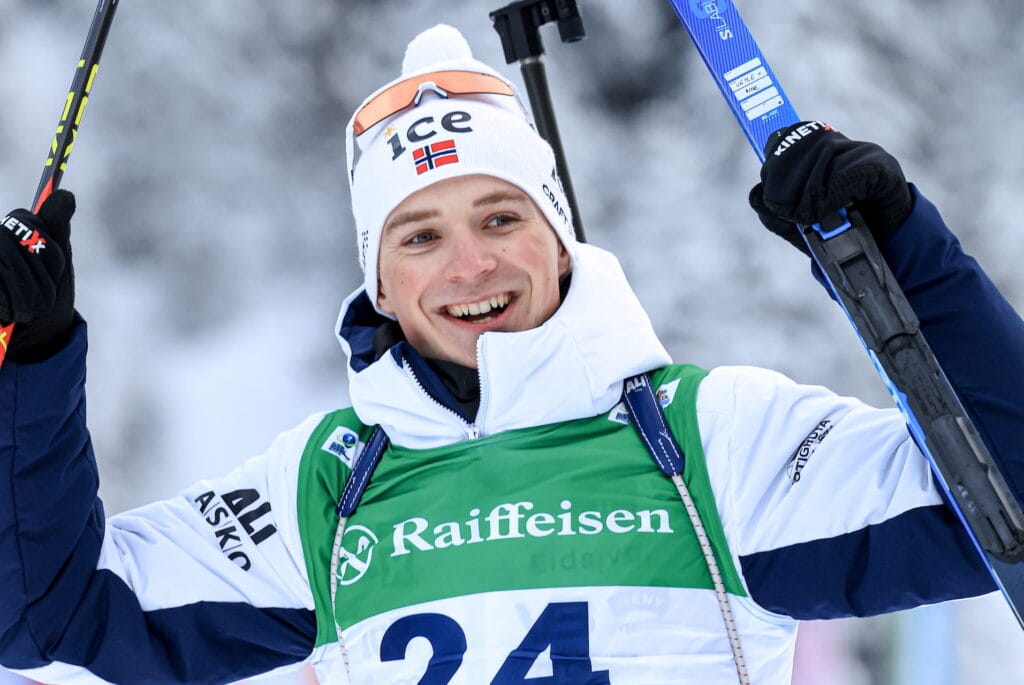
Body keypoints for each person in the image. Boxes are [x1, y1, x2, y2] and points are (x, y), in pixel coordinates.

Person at [0, 23, 1021, 685]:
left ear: (557, 235)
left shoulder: (714, 437)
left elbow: (1005, 495)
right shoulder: (327, 484)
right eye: (418, 236)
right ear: (380, 283)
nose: (467, 265)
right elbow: (47, 614)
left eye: (499, 215)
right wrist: (34, 358)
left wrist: (903, 247)